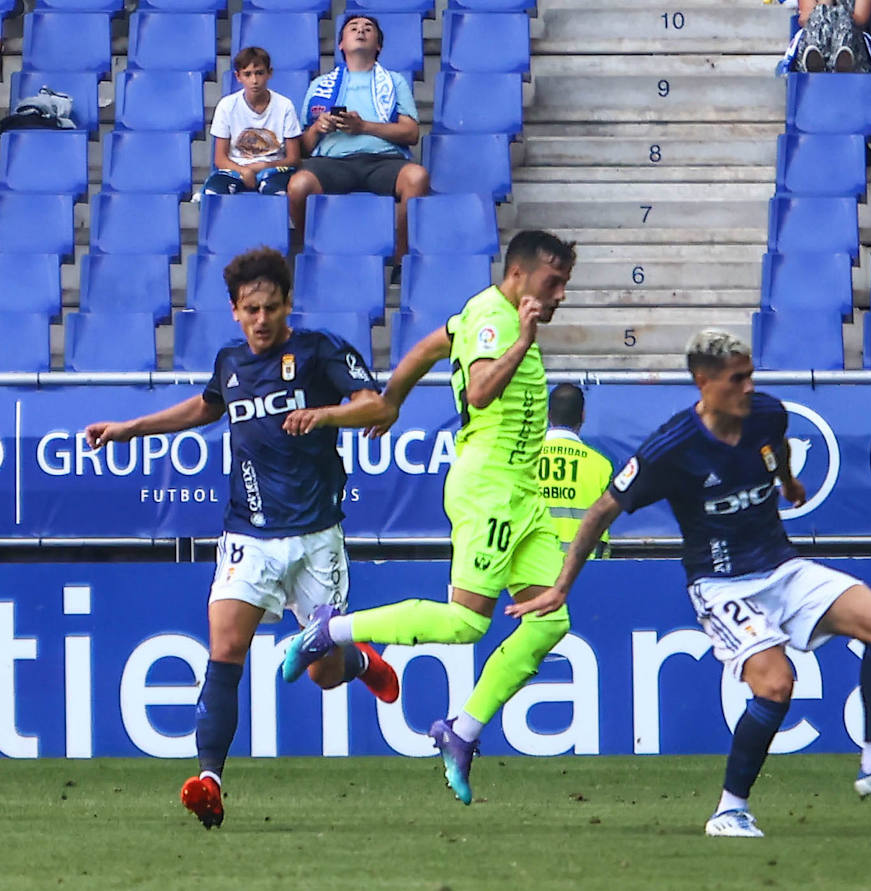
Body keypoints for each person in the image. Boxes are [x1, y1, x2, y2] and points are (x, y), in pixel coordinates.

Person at [510, 329, 871, 839]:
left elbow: (775, 446)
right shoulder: (672, 448)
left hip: (781, 566)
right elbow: (602, 510)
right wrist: (562, 587)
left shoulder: (766, 412)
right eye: (737, 379)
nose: (748, 387)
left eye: (750, 375)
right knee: (776, 684)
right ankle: (729, 811)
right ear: (703, 382)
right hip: (721, 584)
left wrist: (788, 482)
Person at [81, 247, 400, 830]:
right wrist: (131, 428)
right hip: (247, 535)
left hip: (316, 539)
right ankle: (209, 781)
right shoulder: (230, 362)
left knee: (323, 673)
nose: (261, 319)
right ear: (234, 310)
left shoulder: (319, 351)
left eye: (271, 308)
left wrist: (326, 415)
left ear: (287, 305)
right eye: (251, 310)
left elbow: (375, 406)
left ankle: (358, 661)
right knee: (225, 650)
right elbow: (205, 408)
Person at [280, 231, 577, 806]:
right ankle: (329, 631)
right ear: (519, 274)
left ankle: (461, 732)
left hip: (522, 491)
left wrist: (392, 397)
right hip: (490, 488)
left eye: (564, 283)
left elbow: (430, 345)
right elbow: (483, 391)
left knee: (549, 620)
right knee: (466, 624)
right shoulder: (495, 318)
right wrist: (524, 338)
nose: (560, 294)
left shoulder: (477, 315)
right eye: (553, 281)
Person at [290, 14, 430, 264]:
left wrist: (363, 126)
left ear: (379, 46)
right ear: (341, 44)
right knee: (298, 186)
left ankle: (402, 261)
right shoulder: (321, 85)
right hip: (332, 163)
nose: (361, 31)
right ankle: (312, 254)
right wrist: (319, 128)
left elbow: (411, 133)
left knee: (417, 177)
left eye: (368, 28)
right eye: (353, 28)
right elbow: (303, 148)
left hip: (383, 161)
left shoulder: (394, 81)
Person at [203, 47, 302, 197]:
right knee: (213, 192)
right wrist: (244, 171)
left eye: (259, 73)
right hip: (236, 168)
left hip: (274, 169)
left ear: (270, 73)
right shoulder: (227, 105)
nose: (254, 81)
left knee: (276, 191)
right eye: (247, 74)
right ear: (238, 76)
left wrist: (265, 166)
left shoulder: (284, 106)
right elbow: (220, 158)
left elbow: (293, 158)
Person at [541, 383, 614, 557]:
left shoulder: (525, 460)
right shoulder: (601, 465)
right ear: (583, 415)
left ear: (548, 415)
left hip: (535, 568)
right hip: (584, 568)